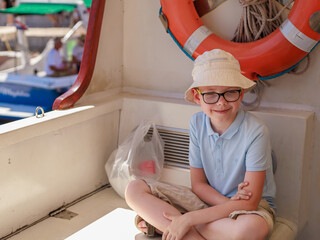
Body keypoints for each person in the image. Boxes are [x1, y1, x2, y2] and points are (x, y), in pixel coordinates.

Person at [125, 49, 276, 240]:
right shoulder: (197, 123)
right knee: (134, 189)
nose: (221, 103)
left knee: (252, 229)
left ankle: (175, 225)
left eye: (230, 92)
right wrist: (219, 206)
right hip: (208, 201)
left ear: (241, 93)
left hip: (246, 209)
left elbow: (250, 203)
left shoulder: (256, 131)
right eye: (211, 94)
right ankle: (185, 227)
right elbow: (198, 185)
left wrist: (190, 219)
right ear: (198, 97)